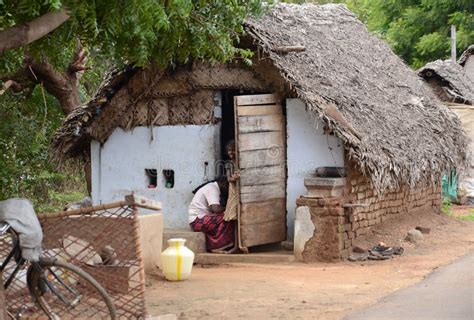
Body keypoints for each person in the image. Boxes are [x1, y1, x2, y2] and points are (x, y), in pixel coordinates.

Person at [188, 176, 235, 253]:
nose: (227, 189)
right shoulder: (212, 189)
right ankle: (218, 245)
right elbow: (216, 209)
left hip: (198, 220)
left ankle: (215, 244)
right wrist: (229, 207)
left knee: (225, 216)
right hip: (197, 221)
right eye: (227, 186)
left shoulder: (212, 187)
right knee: (229, 216)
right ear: (223, 183)